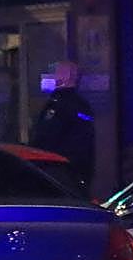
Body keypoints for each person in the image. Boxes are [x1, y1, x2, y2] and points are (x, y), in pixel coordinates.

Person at [31, 61, 95, 189]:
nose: (54, 76)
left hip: (58, 169)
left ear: (67, 76)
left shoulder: (60, 104)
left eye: (58, 72)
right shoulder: (80, 104)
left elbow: (47, 135)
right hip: (73, 169)